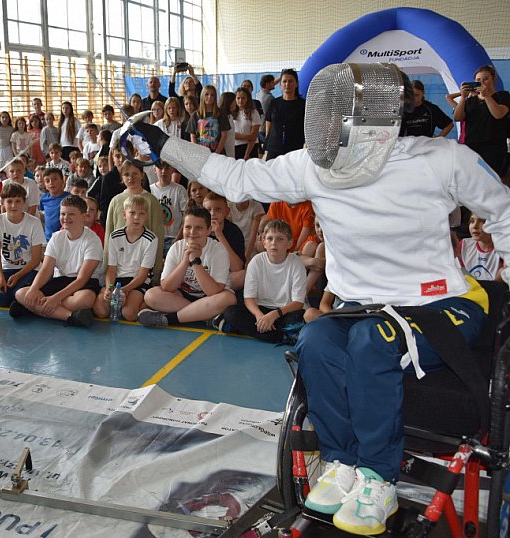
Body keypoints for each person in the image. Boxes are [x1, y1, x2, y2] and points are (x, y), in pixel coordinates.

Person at [130, 61, 510, 535]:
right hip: (365, 309)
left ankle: (378, 478)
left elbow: (503, 210)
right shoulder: (315, 166)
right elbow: (236, 178)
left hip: (442, 305)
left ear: (372, 118)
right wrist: (164, 143)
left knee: (372, 342)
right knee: (316, 340)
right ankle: (341, 463)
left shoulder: (440, 159)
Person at [137, 206, 236, 327]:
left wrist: (195, 262)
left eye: (199, 228)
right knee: (151, 295)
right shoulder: (176, 247)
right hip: (183, 297)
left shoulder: (218, 250)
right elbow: (167, 287)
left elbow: (213, 291)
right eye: (188, 227)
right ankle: (205, 317)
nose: (192, 232)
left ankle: (169, 319)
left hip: (210, 298)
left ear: (209, 230)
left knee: (228, 299)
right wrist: (185, 261)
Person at [12, 195, 101, 327]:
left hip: (83, 283)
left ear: (83, 216)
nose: (66, 218)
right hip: (60, 280)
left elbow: (82, 279)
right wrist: (34, 289)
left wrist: (55, 298)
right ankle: (70, 317)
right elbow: (46, 269)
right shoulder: (56, 237)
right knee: (21, 293)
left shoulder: (93, 240)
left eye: (71, 214)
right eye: (63, 214)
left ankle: (32, 308)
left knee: (84, 300)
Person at [213, 219, 306, 342]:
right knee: (231, 313)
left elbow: (298, 303)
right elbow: (249, 298)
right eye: (270, 239)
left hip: (284, 312)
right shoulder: (256, 261)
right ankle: (282, 336)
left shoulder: (296, 264)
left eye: (280, 239)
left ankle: (250, 330)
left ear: (289, 243)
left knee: (299, 318)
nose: (274, 243)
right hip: (261, 308)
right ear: (264, 242)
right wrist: (259, 316)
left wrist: (273, 315)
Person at [95, 195, 157, 321]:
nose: (136, 217)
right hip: (117, 280)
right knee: (100, 311)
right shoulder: (115, 236)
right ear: (124, 214)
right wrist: (110, 289)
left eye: (141, 214)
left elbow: (143, 275)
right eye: (132, 213)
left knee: (129, 313)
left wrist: (124, 290)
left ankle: (149, 305)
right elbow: (111, 269)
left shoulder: (151, 239)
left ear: (146, 216)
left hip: (137, 281)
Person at [104, 161, 166, 283]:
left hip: (141, 268)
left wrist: (157, 270)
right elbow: (109, 233)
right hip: (118, 269)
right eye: (126, 174)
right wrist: (106, 266)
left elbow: (158, 235)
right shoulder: (115, 201)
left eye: (135, 174)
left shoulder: (152, 201)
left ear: (142, 175)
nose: (130, 178)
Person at [0, 182, 45, 307]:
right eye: (9, 201)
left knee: (22, 292)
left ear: (24, 202)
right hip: (7, 268)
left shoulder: (34, 223)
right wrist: (0, 277)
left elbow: (36, 260)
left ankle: (19, 301)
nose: (13, 205)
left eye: (18, 201)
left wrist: (18, 276)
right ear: (2, 203)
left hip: (29, 269)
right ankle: (18, 302)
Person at [453, 64, 510, 175]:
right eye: (478, 80)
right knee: (472, 176)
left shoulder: (502, 96)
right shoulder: (471, 100)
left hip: (494, 146)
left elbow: (498, 114)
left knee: (493, 177)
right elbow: (457, 117)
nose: (482, 83)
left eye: (486, 79)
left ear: (493, 80)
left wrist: (487, 96)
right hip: (471, 145)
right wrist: (463, 97)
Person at [203, 192, 246, 290]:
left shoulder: (234, 231)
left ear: (226, 212)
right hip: (202, 276)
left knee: (244, 275)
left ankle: (215, 291)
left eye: (218, 209)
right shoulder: (199, 228)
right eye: (208, 210)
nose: (212, 213)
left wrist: (219, 235)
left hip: (224, 277)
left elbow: (237, 268)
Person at [264, 69, 305, 161]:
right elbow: (268, 124)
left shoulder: (303, 104)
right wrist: (267, 142)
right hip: (274, 148)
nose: (287, 84)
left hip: (294, 150)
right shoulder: (274, 103)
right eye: (284, 81)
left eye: (290, 81)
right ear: (280, 84)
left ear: (296, 84)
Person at [150, 160, 187, 256]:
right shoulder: (150, 190)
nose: (163, 171)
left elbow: (186, 217)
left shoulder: (179, 190)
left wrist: (178, 238)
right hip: (155, 239)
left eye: (167, 168)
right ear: (154, 169)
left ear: (173, 169)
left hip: (174, 238)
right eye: (160, 168)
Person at [458, 213, 504, 281]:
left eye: (483, 221)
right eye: (472, 221)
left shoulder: (503, 249)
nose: (475, 226)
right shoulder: (464, 245)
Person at [186, 85, 230, 155]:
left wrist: (216, 153)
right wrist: (198, 152)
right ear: (202, 96)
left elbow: (224, 136)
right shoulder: (195, 115)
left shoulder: (221, 114)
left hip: (218, 154)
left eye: (212, 95)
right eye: (206, 94)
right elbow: (193, 136)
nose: (209, 97)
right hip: (201, 154)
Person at [39, 167, 70, 240]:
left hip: (65, 237)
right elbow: (41, 212)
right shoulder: (43, 198)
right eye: (47, 181)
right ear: (45, 185)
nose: (51, 183)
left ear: (63, 182)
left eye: (55, 179)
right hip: (48, 238)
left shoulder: (69, 198)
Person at [232, 88, 262, 160]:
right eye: (238, 98)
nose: (240, 100)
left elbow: (253, 136)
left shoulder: (254, 113)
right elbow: (230, 134)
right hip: (235, 147)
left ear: (247, 99)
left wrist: (247, 154)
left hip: (250, 148)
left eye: (243, 98)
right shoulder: (231, 113)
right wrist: (247, 136)